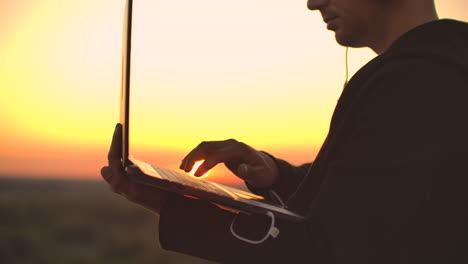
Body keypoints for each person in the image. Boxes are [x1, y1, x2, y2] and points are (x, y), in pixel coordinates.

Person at [101, 0, 468, 263]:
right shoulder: (441, 68)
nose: (312, 3)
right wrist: (275, 175)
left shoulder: (415, 81)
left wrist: (170, 204)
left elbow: (328, 252)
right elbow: (379, 204)